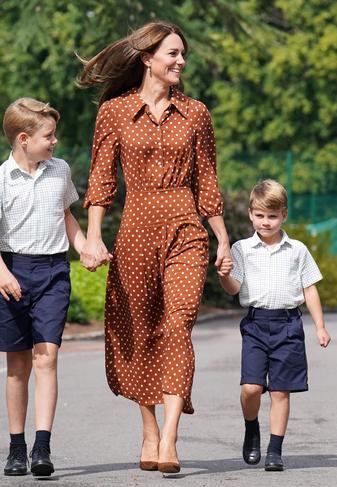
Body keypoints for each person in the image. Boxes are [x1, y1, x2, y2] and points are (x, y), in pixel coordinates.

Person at [76, 22, 231, 474]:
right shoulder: (114, 113)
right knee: (139, 329)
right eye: (173, 54)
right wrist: (93, 237)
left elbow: (207, 181)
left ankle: (169, 438)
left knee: (178, 325)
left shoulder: (197, 112)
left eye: (183, 55)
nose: (181, 61)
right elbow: (101, 182)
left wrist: (222, 238)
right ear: (147, 58)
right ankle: (147, 430)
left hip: (187, 228)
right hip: (136, 229)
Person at [218, 179, 331, 472]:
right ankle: (251, 427)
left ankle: (275, 449)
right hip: (256, 325)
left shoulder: (297, 250)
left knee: (281, 391)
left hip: (288, 325)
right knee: (251, 388)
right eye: (259, 215)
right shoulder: (241, 249)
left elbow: (310, 289)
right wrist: (223, 275)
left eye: (272, 216)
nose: (265, 222)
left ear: (284, 215)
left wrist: (319, 326)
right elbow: (234, 288)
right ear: (250, 214)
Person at [0, 98, 87, 477]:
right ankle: (16, 447)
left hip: (53, 272)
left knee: (46, 356)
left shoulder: (60, 170)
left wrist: (84, 246)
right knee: (17, 365)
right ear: (23, 139)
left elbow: (66, 215)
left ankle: (42, 445)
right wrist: (2, 273)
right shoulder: (1, 180)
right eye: (48, 136)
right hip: (10, 272)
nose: (55, 141)